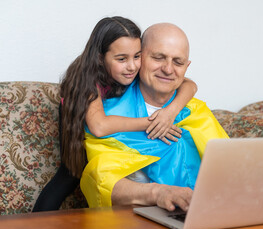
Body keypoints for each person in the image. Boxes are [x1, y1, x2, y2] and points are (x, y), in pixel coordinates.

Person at [32, 17, 197, 212]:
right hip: (79, 114)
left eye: (137, 56)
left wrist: (170, 112)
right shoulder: (88, 79)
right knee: (70, 174)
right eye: (122, 59)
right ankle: (35, 222)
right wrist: (153, 122)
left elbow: (190, 84)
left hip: (107, 117)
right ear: (101, 57)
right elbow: (99, 126)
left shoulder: (131, 72)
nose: (132, 66)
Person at [80, 23, 229, 212]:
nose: (168, 69)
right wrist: (158, 193)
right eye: (159, 58)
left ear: (186, 67)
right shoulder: (110, 114)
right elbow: (101, 178)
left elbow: (232, 169)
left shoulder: (196, 111)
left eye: (178, 62)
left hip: (207, 214)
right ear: (140, 57)